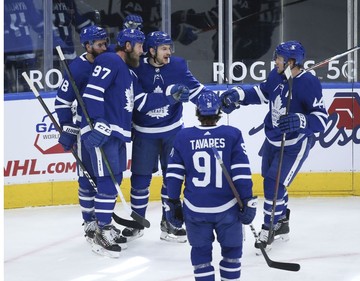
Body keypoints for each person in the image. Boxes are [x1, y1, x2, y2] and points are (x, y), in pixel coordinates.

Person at [220, 40, 328, 252]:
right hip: (272, 139)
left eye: (278, 58)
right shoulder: (276, 76)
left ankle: (269, 227)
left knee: (273, 185)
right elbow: (261, 93)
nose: (274, 61)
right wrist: (239, 95)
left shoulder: (308, 83)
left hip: (295, 144)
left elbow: (322, 120)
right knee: (272, 183)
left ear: (290, 61)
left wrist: (302, 120)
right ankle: (282, 222)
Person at [122, 31, 217, 243]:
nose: (169, 52)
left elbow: (196, 91)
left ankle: (170, 223)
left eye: (170, 48)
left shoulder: (178, 66)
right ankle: (138, 223)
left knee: (172, 179)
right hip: (145, 134)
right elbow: (141, 103)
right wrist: (169, 95)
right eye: (164, 48)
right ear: (152, 50)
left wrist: (213, 101)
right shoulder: (136, 68)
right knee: (139, 181)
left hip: (173, 132)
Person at [164, 92, 257, 281]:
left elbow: (173, 176)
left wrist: (172, 202)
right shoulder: (232, 134)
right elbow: (241, 173)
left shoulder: (183, 136)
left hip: (195, 209)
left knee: (201, 256)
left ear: (197, 111)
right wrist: (247, 199)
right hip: (227, 209)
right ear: (219, 112)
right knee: (232, 253)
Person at [54, 25, 128, 253]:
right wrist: (68, 129)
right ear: (87, 46)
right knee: (89, 178)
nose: (105, 48)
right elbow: (61, 101)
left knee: (102, 177)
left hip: (104, 128)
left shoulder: (108, 62)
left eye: (106, 43)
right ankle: (92, 224)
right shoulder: (77, 68)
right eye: (99, 45)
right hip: (86, 130)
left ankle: (98, 223)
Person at [78, 28, 146, 258]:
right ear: (127, 46)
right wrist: (99, 122)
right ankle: (101, 230)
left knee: (115, 179)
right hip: (104, 131)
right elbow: (93, 91)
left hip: (116, 133)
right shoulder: (109, 60)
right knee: (107, 180)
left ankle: (104, 224)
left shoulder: (127, 71)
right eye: (139, 46)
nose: (142, 51)